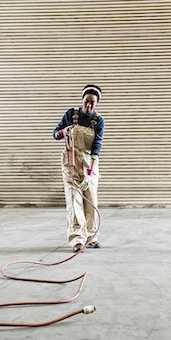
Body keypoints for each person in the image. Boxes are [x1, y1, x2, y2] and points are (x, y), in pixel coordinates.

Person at [53, 85, 105, 252]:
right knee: (74, 199)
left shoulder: (98, 120)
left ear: (97, 103)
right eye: (86, 101)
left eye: (92, 103)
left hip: (89, 163)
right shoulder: (71, 114)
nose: (88, 106)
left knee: (91, 198)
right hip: (70, 163)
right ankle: (77, 238)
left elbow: (97, 146)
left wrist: (90, 171)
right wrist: (63, 131)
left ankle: (91, 236)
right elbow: (55, 134)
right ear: (82, 99)